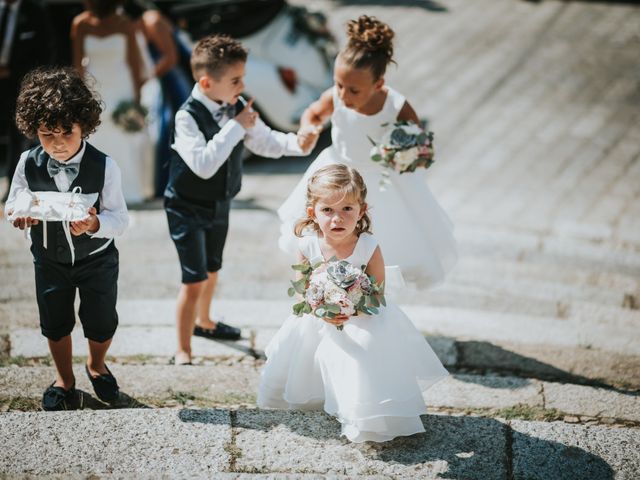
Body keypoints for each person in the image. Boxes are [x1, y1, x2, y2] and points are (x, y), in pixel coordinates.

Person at [258, 164, 448, 442]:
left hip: (362, 314)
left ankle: (361, 412)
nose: (338, 218)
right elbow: (301, 291)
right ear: (313, 212)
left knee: (362, 352)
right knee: (308, 352)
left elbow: (378, 293)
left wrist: (350, 309)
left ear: (362, 210)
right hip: (318, 316)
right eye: (328, 211)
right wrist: (321, 309)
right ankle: (317, 398)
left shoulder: (368, 246)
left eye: (347, 209)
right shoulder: (308, 246)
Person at [166, 34, 317, 366]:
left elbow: (263, 140)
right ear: (207, 82)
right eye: (236, 79)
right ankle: (182, 348)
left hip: (220, 201)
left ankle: (205, 322)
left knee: (212, 268)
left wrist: (297, 144)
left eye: (242, 77)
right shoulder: (186, 117)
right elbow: (204, 165)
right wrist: (235, 127)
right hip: (186, 205)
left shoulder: (235, 104)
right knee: (193, 280)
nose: (242, 84)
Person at [278, 15, 457, 288]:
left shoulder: (395, 105)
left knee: (386, 237)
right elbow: (314, 112)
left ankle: (372, 288)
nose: (343, 95)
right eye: (338, 85)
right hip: (339, 173)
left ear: (378, 84)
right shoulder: (337, 96)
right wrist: (308, 128)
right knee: (332, 229)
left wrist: (408, 153)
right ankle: (332, 283)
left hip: (381, 181)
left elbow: (419, 142)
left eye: (353, 90)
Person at [4, 67, 129, 410]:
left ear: (84, 126)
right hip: (48, 258)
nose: (57, 143)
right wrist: (20, 215)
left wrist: (94, 224)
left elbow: (120, 219)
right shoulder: (27, 162)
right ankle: (64, 378)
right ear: (34, 131)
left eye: (66, 133)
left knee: (101, 321)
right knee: (55, 322)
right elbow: (13, 201)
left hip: (97, 259)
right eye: (47, 134)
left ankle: (96, 364)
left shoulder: (105, 166)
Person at [71, 0, 154, 204]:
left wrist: (136, 98)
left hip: (121, 86)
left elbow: (134, 63)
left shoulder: (125, 24)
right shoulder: (80, 24)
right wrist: (79, 95)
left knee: (122, 135)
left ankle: (128, 190)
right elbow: (78, 63)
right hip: (93, 86)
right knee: (95, 134)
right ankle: (94, 189)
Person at [122, 0, 192, 196]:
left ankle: (176, 183)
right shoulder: (144, 23)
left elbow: (170, 57)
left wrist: (148, 76)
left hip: (173, 78)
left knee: (172, 126)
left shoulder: (152, 20)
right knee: (164, 129)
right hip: (163, 79)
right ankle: (166, 184)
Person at [0, 0, 56, 202]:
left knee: (18, 137)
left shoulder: (35, 12)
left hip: (19, 87)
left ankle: (13, 188)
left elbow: (44, 53)